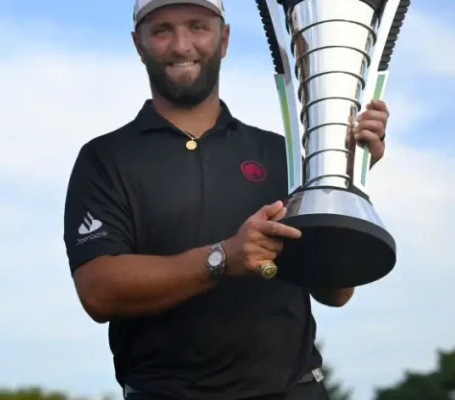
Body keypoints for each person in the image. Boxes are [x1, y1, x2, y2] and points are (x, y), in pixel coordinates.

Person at [63, 0, 392, 399]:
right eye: (162, 30)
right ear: (138, 44)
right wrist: (223, 258)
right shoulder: (106, 158)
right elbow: (99, 291)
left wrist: (343, 178)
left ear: (225, 39)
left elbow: (336, 292)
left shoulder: (282, 155)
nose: (181, 45)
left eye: (198, 26)